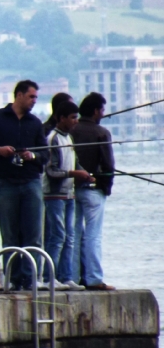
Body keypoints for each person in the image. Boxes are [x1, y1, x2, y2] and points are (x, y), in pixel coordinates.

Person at [0, 80, 49, 290]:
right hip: (4, 182)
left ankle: (30, 278)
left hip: (30, 182)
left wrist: (31, 155)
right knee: (9, 235)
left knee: (33, 234)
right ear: (19, 95)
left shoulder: (35, 123)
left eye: (35, 97)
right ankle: (12, 278)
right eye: (31, 96)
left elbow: (44, 155)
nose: (34, 101)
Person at [42, 101, 90, 291]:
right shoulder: (52, 139)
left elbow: (75, 164)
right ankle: (48, 277)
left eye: (76, 117)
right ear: (60, 118)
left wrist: (84, 174)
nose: (75, 121)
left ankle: (66, 276)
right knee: (57, 236)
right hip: (54, 195)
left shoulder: (69, 138)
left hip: (69, 194)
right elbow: (52, 171)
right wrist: (73, 174)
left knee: (70, 236)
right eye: (72, 117)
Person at [71, 92, 115, 291]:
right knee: (93, 236)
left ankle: (72, 277)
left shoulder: (71, 131)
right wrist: (106, 187)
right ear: (96, 111)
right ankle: (94, 278)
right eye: (102, 110)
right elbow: (108, 165)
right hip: (94, 190)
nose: (103, 114)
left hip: (70, 189)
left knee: (73, 235)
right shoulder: (101, 133)